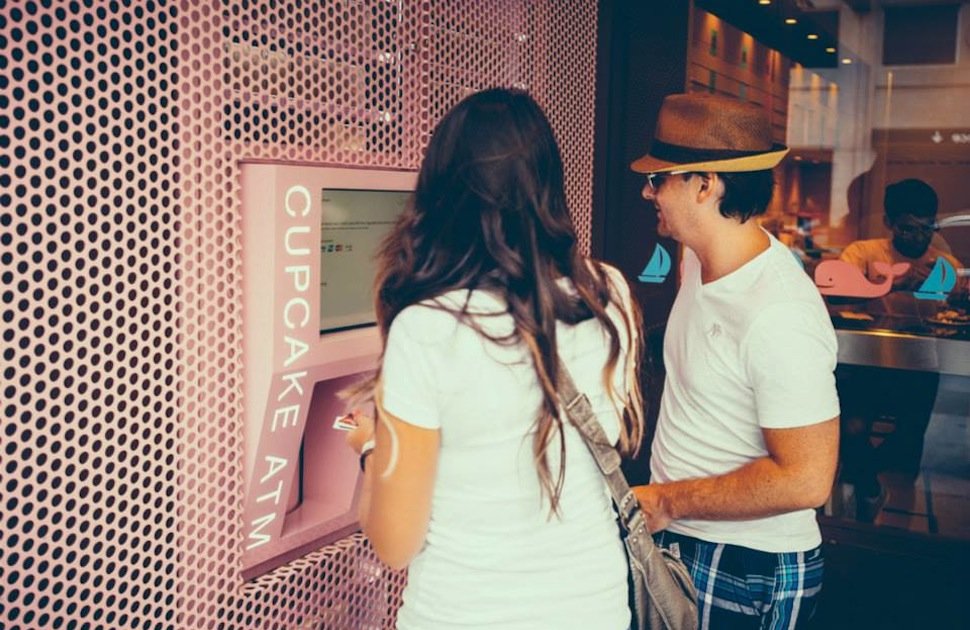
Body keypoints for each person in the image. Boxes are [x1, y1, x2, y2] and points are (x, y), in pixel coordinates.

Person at [343, 88, 645, 629]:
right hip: (594, 609)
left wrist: (369, 449)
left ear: (439, 192)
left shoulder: (428, 328)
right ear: (547, 184)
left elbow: (395, 543)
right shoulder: (607, 294)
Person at [630, 93, 840, 629]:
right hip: (684, 537)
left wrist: (670, 501)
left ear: (706, 184)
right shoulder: (697, 263)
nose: (646, 190)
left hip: (749, 565)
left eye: (661, 179)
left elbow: (807, 480)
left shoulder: (779, 311)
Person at [834, 179, 963, 517]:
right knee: (853, 429)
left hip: (920, 366)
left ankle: (863, 478)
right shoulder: (864, 252)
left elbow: (954, 307)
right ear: (890, 223)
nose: (918, 237)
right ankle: (867, 486)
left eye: (926, 228)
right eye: (908, 228)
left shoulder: (943, 261)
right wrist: (891, 283)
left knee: (909, 440)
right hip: (867, 363)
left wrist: (940, 286)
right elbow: (834, 294)